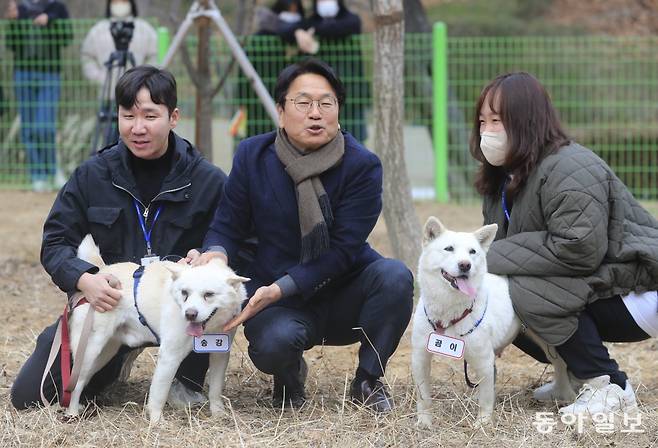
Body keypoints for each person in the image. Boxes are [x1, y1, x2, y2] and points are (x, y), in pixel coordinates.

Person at [192, 59, 414, 412]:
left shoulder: (362, 165)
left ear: (338, 111)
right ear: (280, 111)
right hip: (277, 299)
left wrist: (282, 287)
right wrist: (215, 256)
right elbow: (227, 226)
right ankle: (289, 375)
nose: (316, 113)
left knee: (395, 276)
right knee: (273, 344)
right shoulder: (253, 156)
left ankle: (368, 380)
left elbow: (342, 250)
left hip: (344, 290)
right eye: (303, 103)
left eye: (326, 103)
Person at [10, 66, 228, 411]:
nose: (137, 128)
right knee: (31, 396)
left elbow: (231, 239)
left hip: (184, 312)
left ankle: (185, 377)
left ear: (173, 117)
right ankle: (116, 360)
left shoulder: (208, 180)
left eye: (149, 116)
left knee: (186, 400)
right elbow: (55, 242)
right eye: (128, 115)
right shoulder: (92, 174)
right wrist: (85, 279)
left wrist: (210, 255)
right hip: (114, 306)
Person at [471, 71, 658, 416]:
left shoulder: (570, 166)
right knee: (497, 287)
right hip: (598, 283)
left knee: (523, 289)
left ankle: (608, 384)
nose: (487, 131)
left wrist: (489, 256)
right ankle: (569, 378)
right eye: (482, 121)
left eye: (497, 120)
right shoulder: (505, 178)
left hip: (640, 289)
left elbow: (578, 248)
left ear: (526, 120)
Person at [5, 0, 72, 192]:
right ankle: (37, 175)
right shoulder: (20, 7)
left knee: (45, 126)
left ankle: (53, 170)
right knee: (29, 128)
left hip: (50, 72)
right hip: (23, 73)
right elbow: (11, 43)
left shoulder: (57, 7)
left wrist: (51, 20)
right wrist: (13, 21)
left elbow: (68, 37)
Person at [296, 0, 369, 143]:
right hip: (319, 97)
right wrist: (298, 32)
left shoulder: (350, 20)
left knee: (353, 142)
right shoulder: (310, 20)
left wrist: (314, 30)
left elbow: (345, 27)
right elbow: (289, 29)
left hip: (351, 95)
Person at [236, 0, 307, 139]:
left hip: (291, 103)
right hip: (260, 104)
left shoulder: (303, 41)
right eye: (289, 9)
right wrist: (244, 101)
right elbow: (245, 73)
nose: (292, 14)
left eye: (295, 10)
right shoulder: (261, 40)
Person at [80, 0, 158, 97]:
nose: (120, 4)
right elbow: (87, 56)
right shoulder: (98, 31)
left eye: (123, 1)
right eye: (116, 1)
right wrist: (99, 77)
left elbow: (155, 56)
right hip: (107, 93)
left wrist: (143, 77)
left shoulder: (145, 29)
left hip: (138, 93)